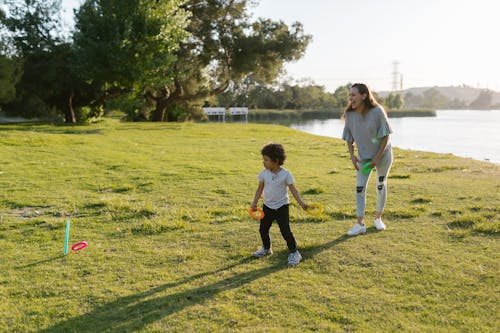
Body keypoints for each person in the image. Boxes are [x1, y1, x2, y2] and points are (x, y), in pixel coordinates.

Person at [341, 83, 394, 236]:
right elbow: (349, 139)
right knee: (359, 189)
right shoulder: (350, 115)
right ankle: (360, 224)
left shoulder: (377, 111)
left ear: (364, 96)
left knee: (380, 184)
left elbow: (385, 136)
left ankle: (378, 218)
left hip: (383, 155)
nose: (350, 98)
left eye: (353, 95)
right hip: (364, 158)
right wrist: (352, 157)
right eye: (349, 95)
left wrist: (377, 158)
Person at [250, 142, 308, 266]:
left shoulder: (286, 174)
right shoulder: (263, 174)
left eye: (266, 160)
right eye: (263, 159)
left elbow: (293, 190)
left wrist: (302, 203)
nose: (263, 162)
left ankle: (294, 253)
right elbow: (259, 189)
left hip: (282, 207)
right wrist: (254, 203)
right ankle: (266, 248)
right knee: (263, 229)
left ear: (276, 161)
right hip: (267, 207)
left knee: (285, 230)